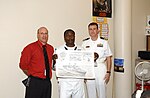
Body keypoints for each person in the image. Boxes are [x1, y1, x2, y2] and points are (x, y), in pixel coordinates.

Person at [19, 27, 54, 98]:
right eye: (42, 33)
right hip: (35, 83)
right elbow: (23, 65)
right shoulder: (30, 48)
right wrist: (32, 75)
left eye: (46, 33)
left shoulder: (51, 48)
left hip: (47, 82)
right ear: (37, 35)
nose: (44, 35)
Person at [82, 22, 112, 98]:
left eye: (94, 29)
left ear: (98, 30)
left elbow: (108, 58)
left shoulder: (104, 42)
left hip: (100, 68)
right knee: (90, 92)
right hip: (89, 69)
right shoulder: (85, 43)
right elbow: (82, 59)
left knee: (102, 91)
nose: (92, 31)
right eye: (90, 29)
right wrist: (83, 73)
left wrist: (108, 72)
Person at [53, 29, 85, 98]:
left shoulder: (82, 50)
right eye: (67, 36)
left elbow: (86, 65)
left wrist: (93, 59)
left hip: (78, 81)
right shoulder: (59, 50)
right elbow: (54, 68)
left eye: (72, 36)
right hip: (64, 81)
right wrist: (54, 61)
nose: (70, 38)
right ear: (64, 38)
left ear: (74, 37)